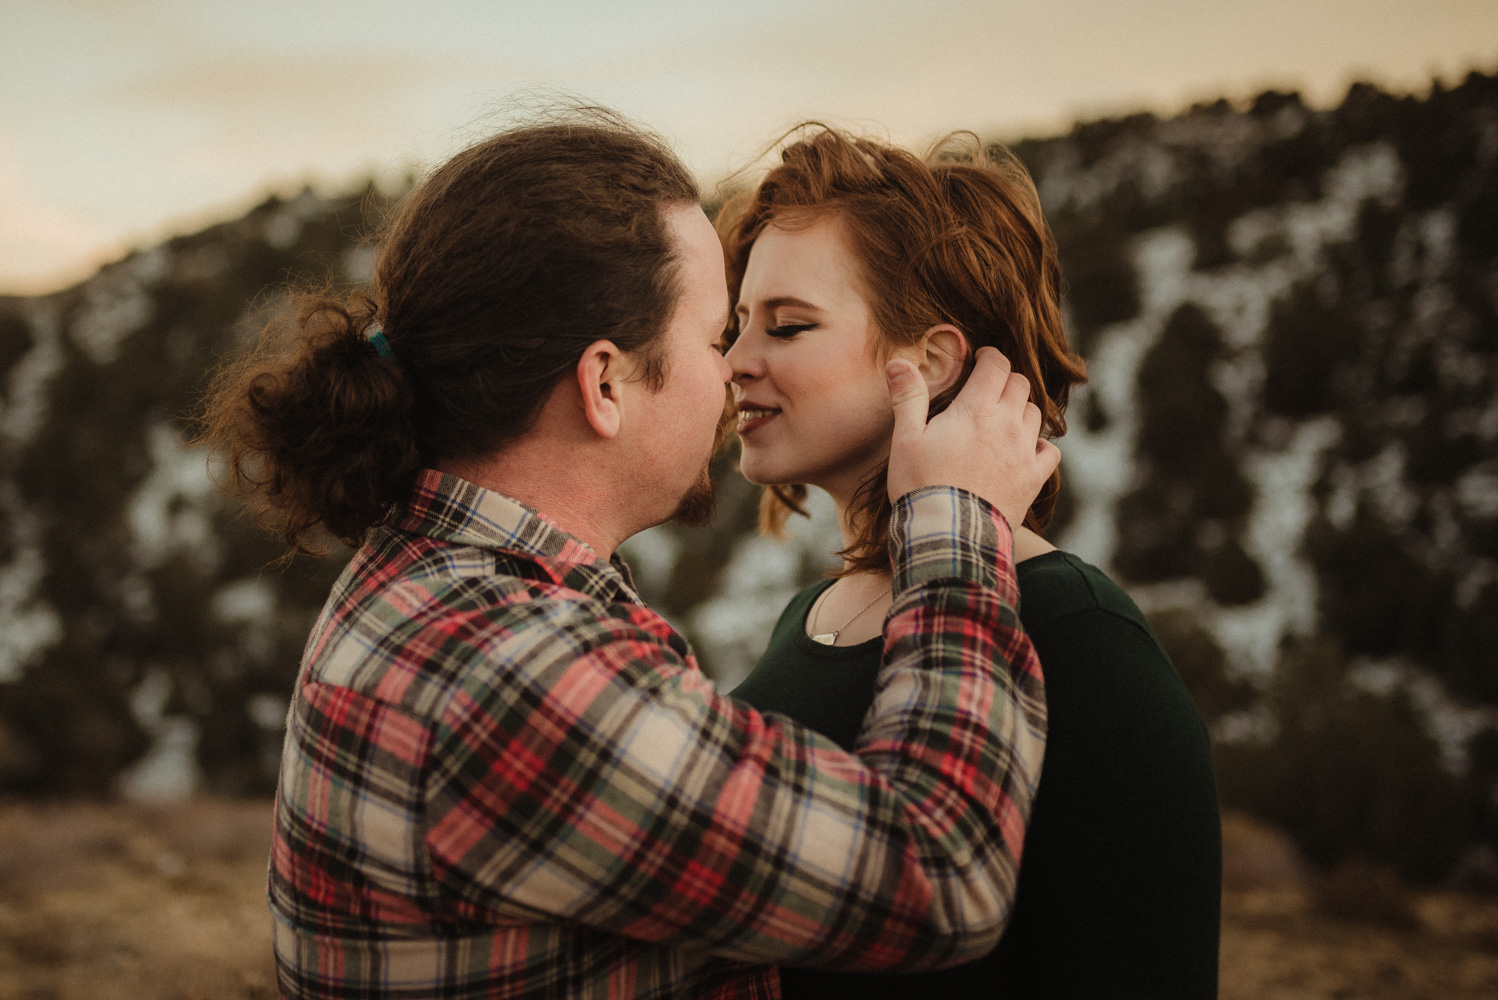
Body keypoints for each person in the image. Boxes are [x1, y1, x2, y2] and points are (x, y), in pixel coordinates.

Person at [196, 108, 1059, 999]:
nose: (731, 371)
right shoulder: (513, 672)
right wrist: (957, 526)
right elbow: (942, 874)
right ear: (603, 383)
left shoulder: (423, 583)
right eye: (714, 336)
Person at [720, 127, 1222, 997]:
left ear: (930, 361)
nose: (734, 364)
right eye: (734, 327)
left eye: (788, 326)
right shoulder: (808, 618)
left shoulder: (1079, 635)